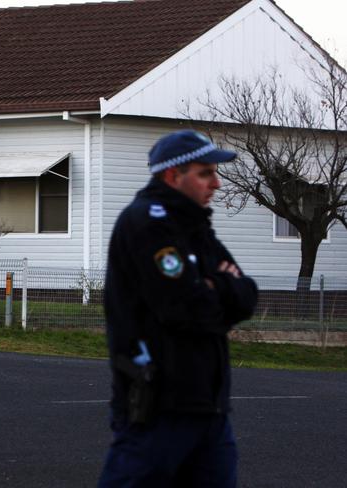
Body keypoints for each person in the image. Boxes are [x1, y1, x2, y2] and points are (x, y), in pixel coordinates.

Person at [98, 130, 259, 488]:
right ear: (173, 175)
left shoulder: (197, 226)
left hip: (209, 408)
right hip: (158, 409)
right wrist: (218, 287)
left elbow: (247, 296)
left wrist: (214, 288)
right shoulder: (146, 223)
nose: (216, 183)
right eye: (205, 173)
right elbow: (185, 309)